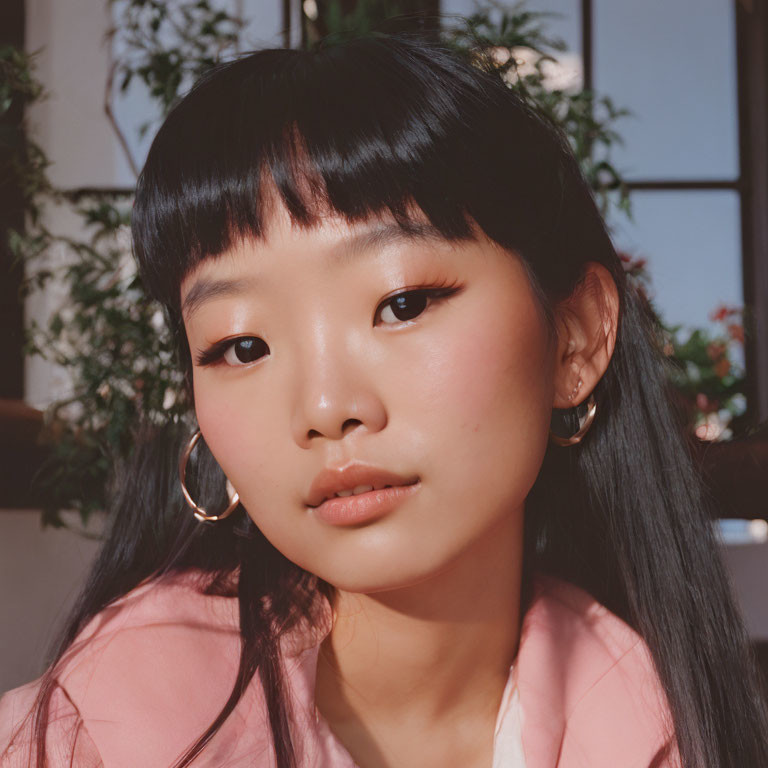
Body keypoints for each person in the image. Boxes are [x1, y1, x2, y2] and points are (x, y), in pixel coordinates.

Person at [1, 32, 767, 768]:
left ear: (574, 340)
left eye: (401, 303)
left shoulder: (659, 725)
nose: (328, 405)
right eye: (242, 346)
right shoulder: (99, 734)